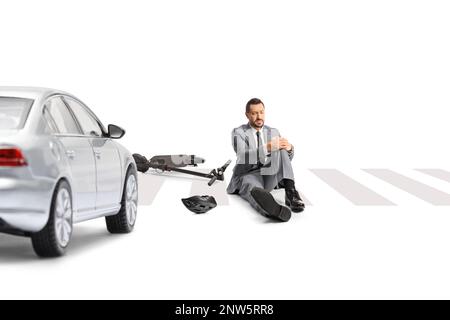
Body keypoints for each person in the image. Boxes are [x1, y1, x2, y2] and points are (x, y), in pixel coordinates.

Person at [227, 98, 305, 222]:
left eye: (261, 112)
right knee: (253, 189)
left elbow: (285, 160)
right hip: (248, 173)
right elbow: (242, 157)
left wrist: (289, 149)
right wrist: (267, 147)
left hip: (269, 172)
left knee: (281, 149)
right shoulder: (239, 132)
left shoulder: (273, 131)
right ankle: (273, 210)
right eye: (254, 113)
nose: (259, 116)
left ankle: (291, 193)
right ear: (247, 114)